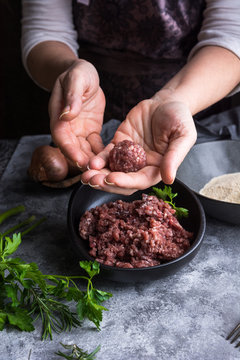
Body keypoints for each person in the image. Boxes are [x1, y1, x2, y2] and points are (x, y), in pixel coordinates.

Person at [21, 0, 240, 195]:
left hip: (192, 96)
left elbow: (232, 32)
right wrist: (69, 70)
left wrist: (175, 99)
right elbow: (45, 31)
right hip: (84, 108)